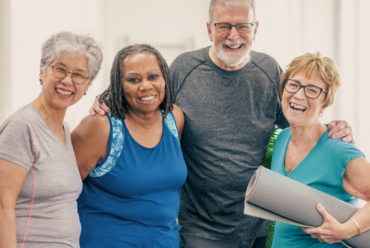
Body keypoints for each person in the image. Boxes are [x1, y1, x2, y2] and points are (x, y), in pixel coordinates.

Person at [90, 1, 354, 247]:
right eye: (224, 26)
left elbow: (298, 124)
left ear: (255, 29)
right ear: (209, 29)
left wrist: (332, 127)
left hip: (259, 225)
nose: (233, 35)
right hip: (200, 228)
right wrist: (106, 99)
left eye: (242, 26)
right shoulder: (184, 68)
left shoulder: (269, 70)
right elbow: (148, 95)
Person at [71, 44, 187, 248]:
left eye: (153, 76)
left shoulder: (174, 117)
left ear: (164, 80)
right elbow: (60, 192)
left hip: (165, 241)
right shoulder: (100, 126)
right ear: (119, 85)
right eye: (133, 79)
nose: (145, 86)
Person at [0, 31, 103, 248]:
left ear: (86, 87)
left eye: (78, 75)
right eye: (60, 69)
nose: (67, 80)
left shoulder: (63, 129)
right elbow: (2, 204)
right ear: (42, 71)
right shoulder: (22, 126)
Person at [270, 52, 370, 247]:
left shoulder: (338, 151)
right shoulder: (282, 138)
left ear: (325, 103)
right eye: (293, 84)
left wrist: (346, 230)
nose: (299, 95)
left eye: (312, 90)